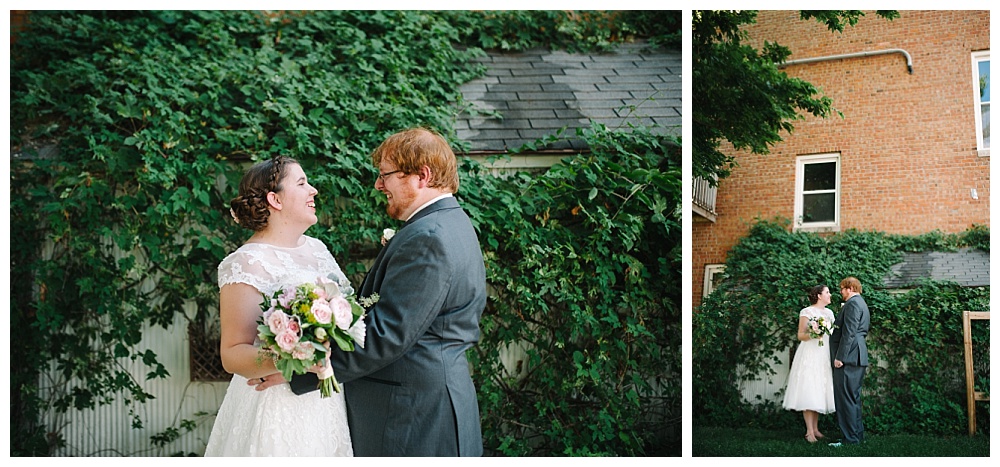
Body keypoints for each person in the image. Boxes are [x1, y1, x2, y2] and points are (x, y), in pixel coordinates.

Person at [257, 127, 487, 456]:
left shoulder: (429, 237)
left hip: (412, 416)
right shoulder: (450, 223)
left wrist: (300, 372)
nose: (379, 185)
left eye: (386, 175)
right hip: (428, 404)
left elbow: (386, 336)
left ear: (421, 176)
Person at [204, 156, 354, 456]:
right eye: (301, 183)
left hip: (327, 400)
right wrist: (294, 358)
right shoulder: (245, 263)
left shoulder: (318, 249)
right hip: (276, 404)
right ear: (274, 199)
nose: (313, 191)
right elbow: (233, 354)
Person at [782, 285, 836, 443]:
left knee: (818, 390)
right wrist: (815, 333)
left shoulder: (830, 313)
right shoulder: (807, 312)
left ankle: (816, 429)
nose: (829, 294)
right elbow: (800, 335)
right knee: (809, 389)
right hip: (810, 355)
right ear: (819, 295)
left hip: (823, 354)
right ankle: (809, 431)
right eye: (827, 292)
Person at [829, 276, 871, 446]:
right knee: (852, 398)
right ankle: (856, 437)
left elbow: (849, 333)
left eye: (842, 289)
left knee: (846, 398)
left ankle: (850, 439)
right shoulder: (861, 303)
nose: (841, 292)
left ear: (850, 288)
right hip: (857, 355)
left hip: (850, 357)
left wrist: (840, 357)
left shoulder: (853, 304)